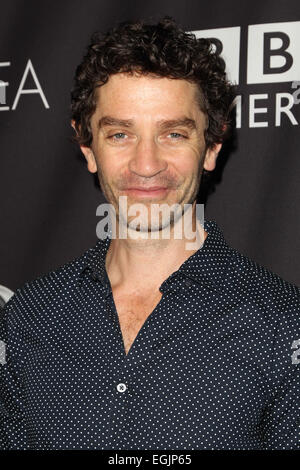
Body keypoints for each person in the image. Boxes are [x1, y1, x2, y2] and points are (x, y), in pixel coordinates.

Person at [0, 16, 299, 451]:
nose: (146, 164)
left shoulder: (280, 322)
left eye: (173, 133)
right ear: (88, 148)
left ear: (212, 147)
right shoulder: (31, 315)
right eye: (121, 134)